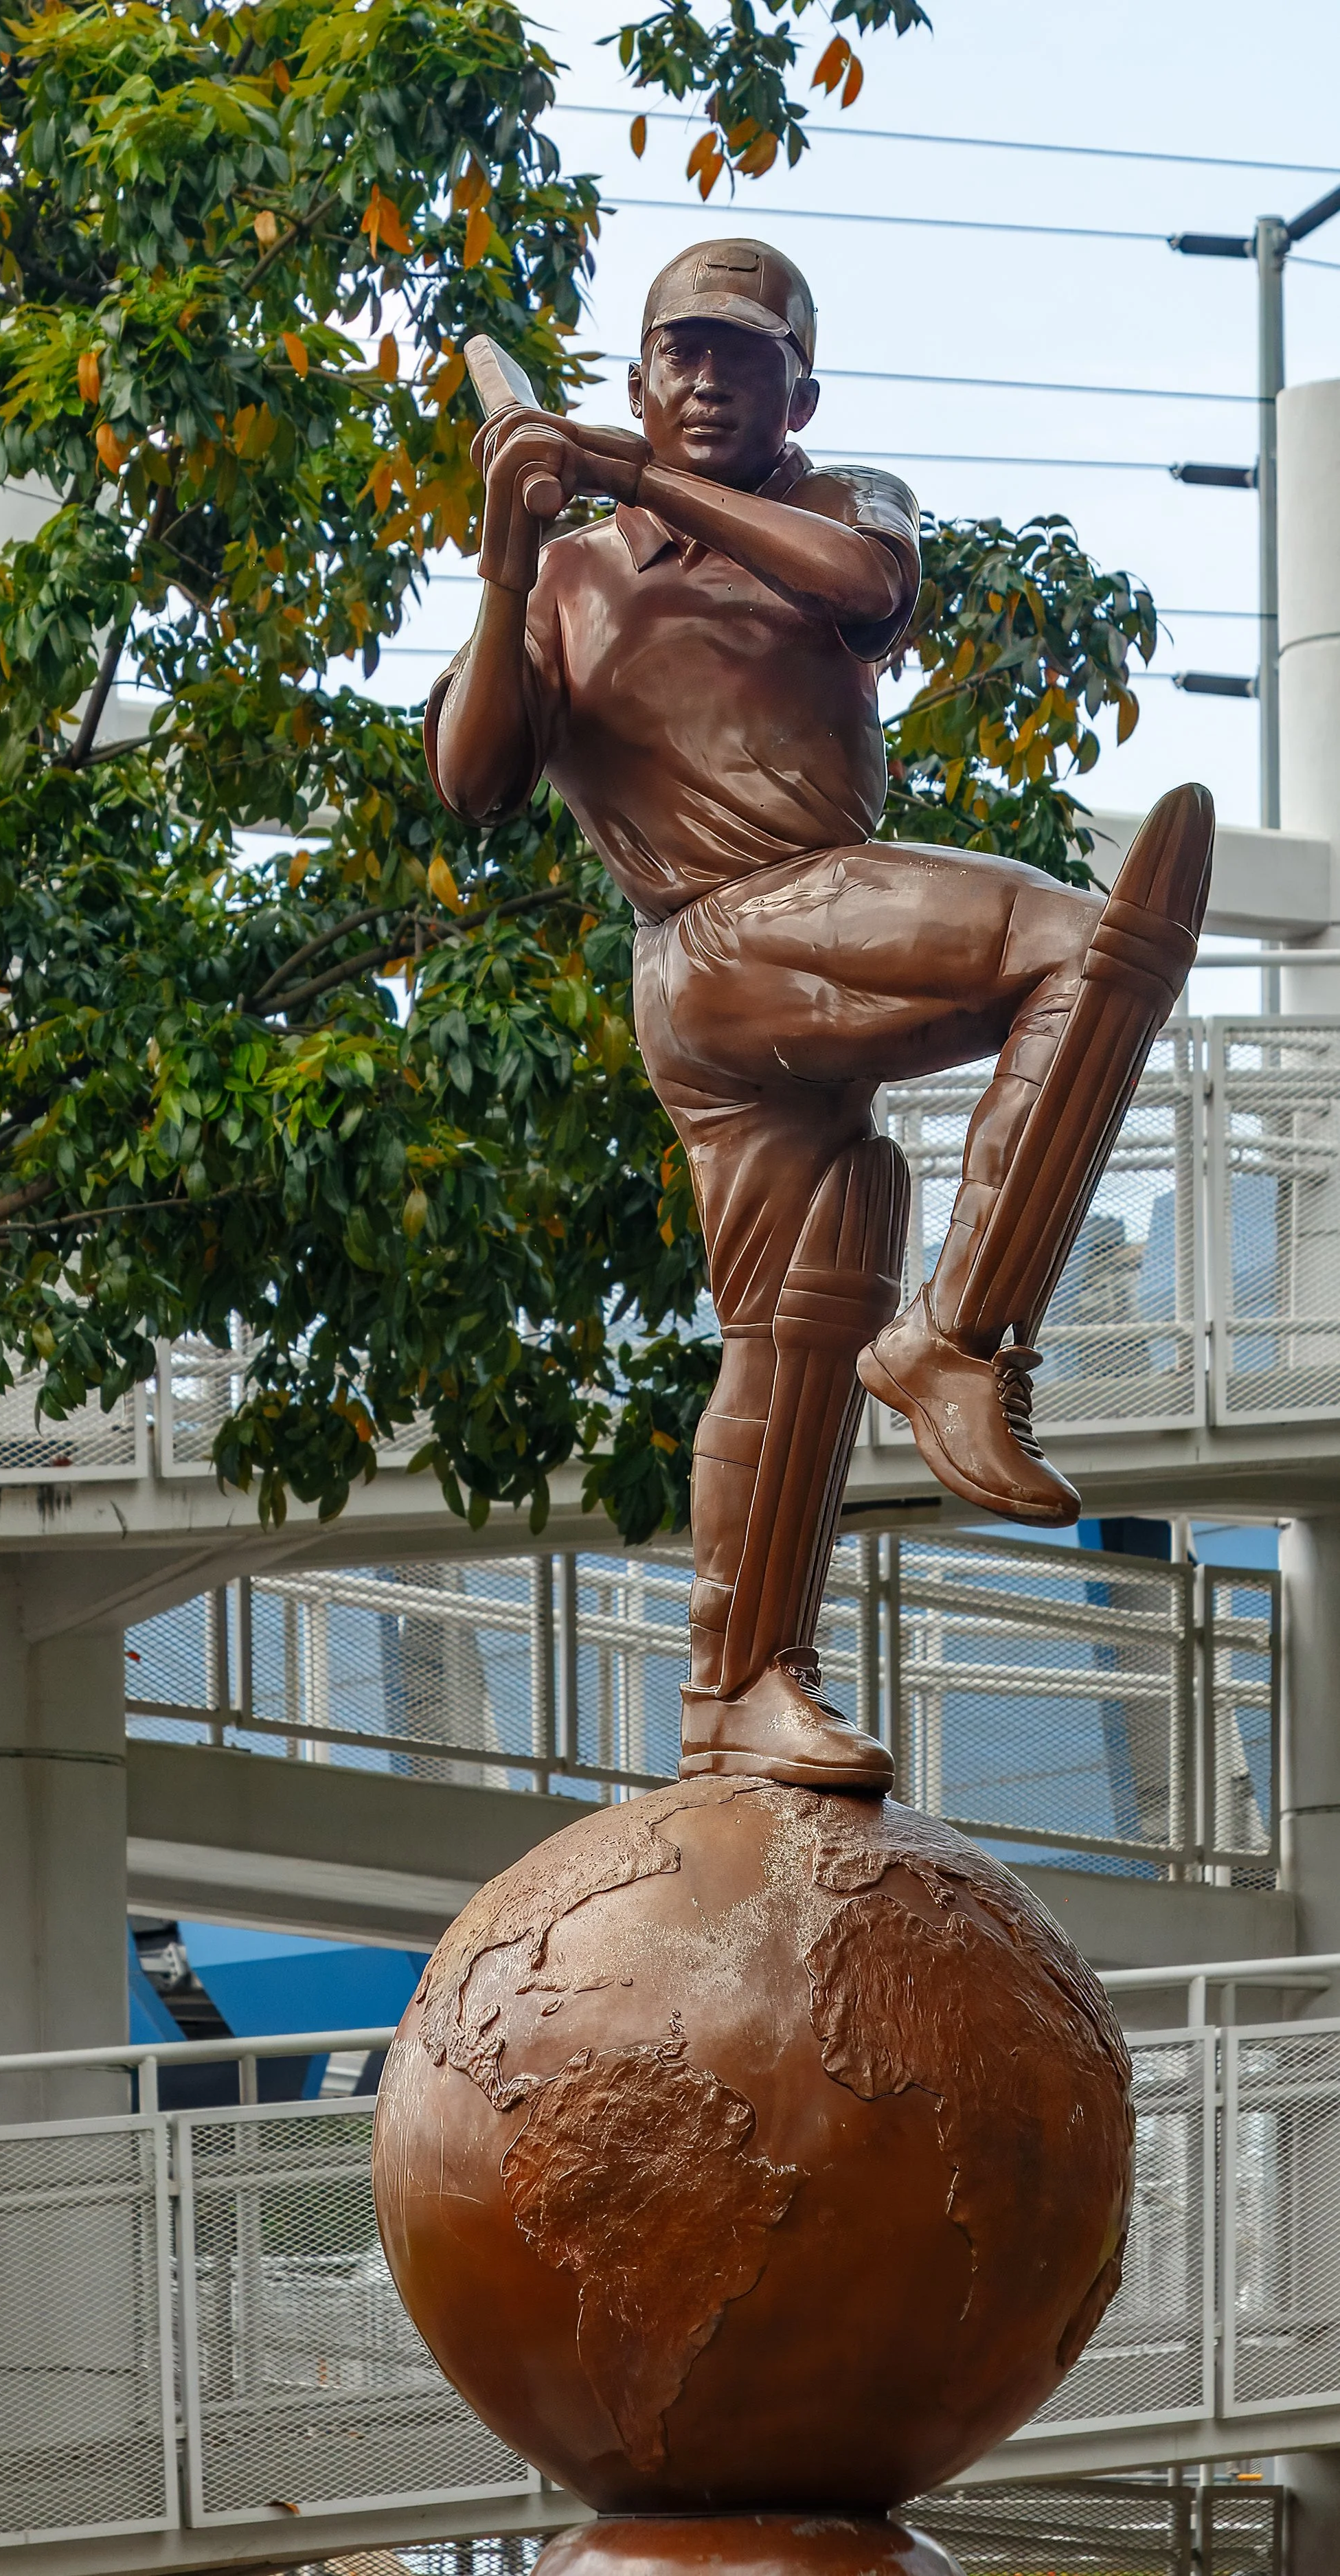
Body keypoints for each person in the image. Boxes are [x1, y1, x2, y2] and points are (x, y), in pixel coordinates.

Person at [426, 237, 1211, 1794]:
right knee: (1077, 944)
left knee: (799, 1321)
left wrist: (612, 473)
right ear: (637, 374)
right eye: (677, 355)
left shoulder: (840, 505)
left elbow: (870, 593)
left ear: (800, 386)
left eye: (741, 354)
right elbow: (472, 781)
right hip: (714, 946)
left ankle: (738, 1689)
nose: (705, 380)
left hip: (802, 952)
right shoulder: (572, 576)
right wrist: (511, 558)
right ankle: (963, 1335)